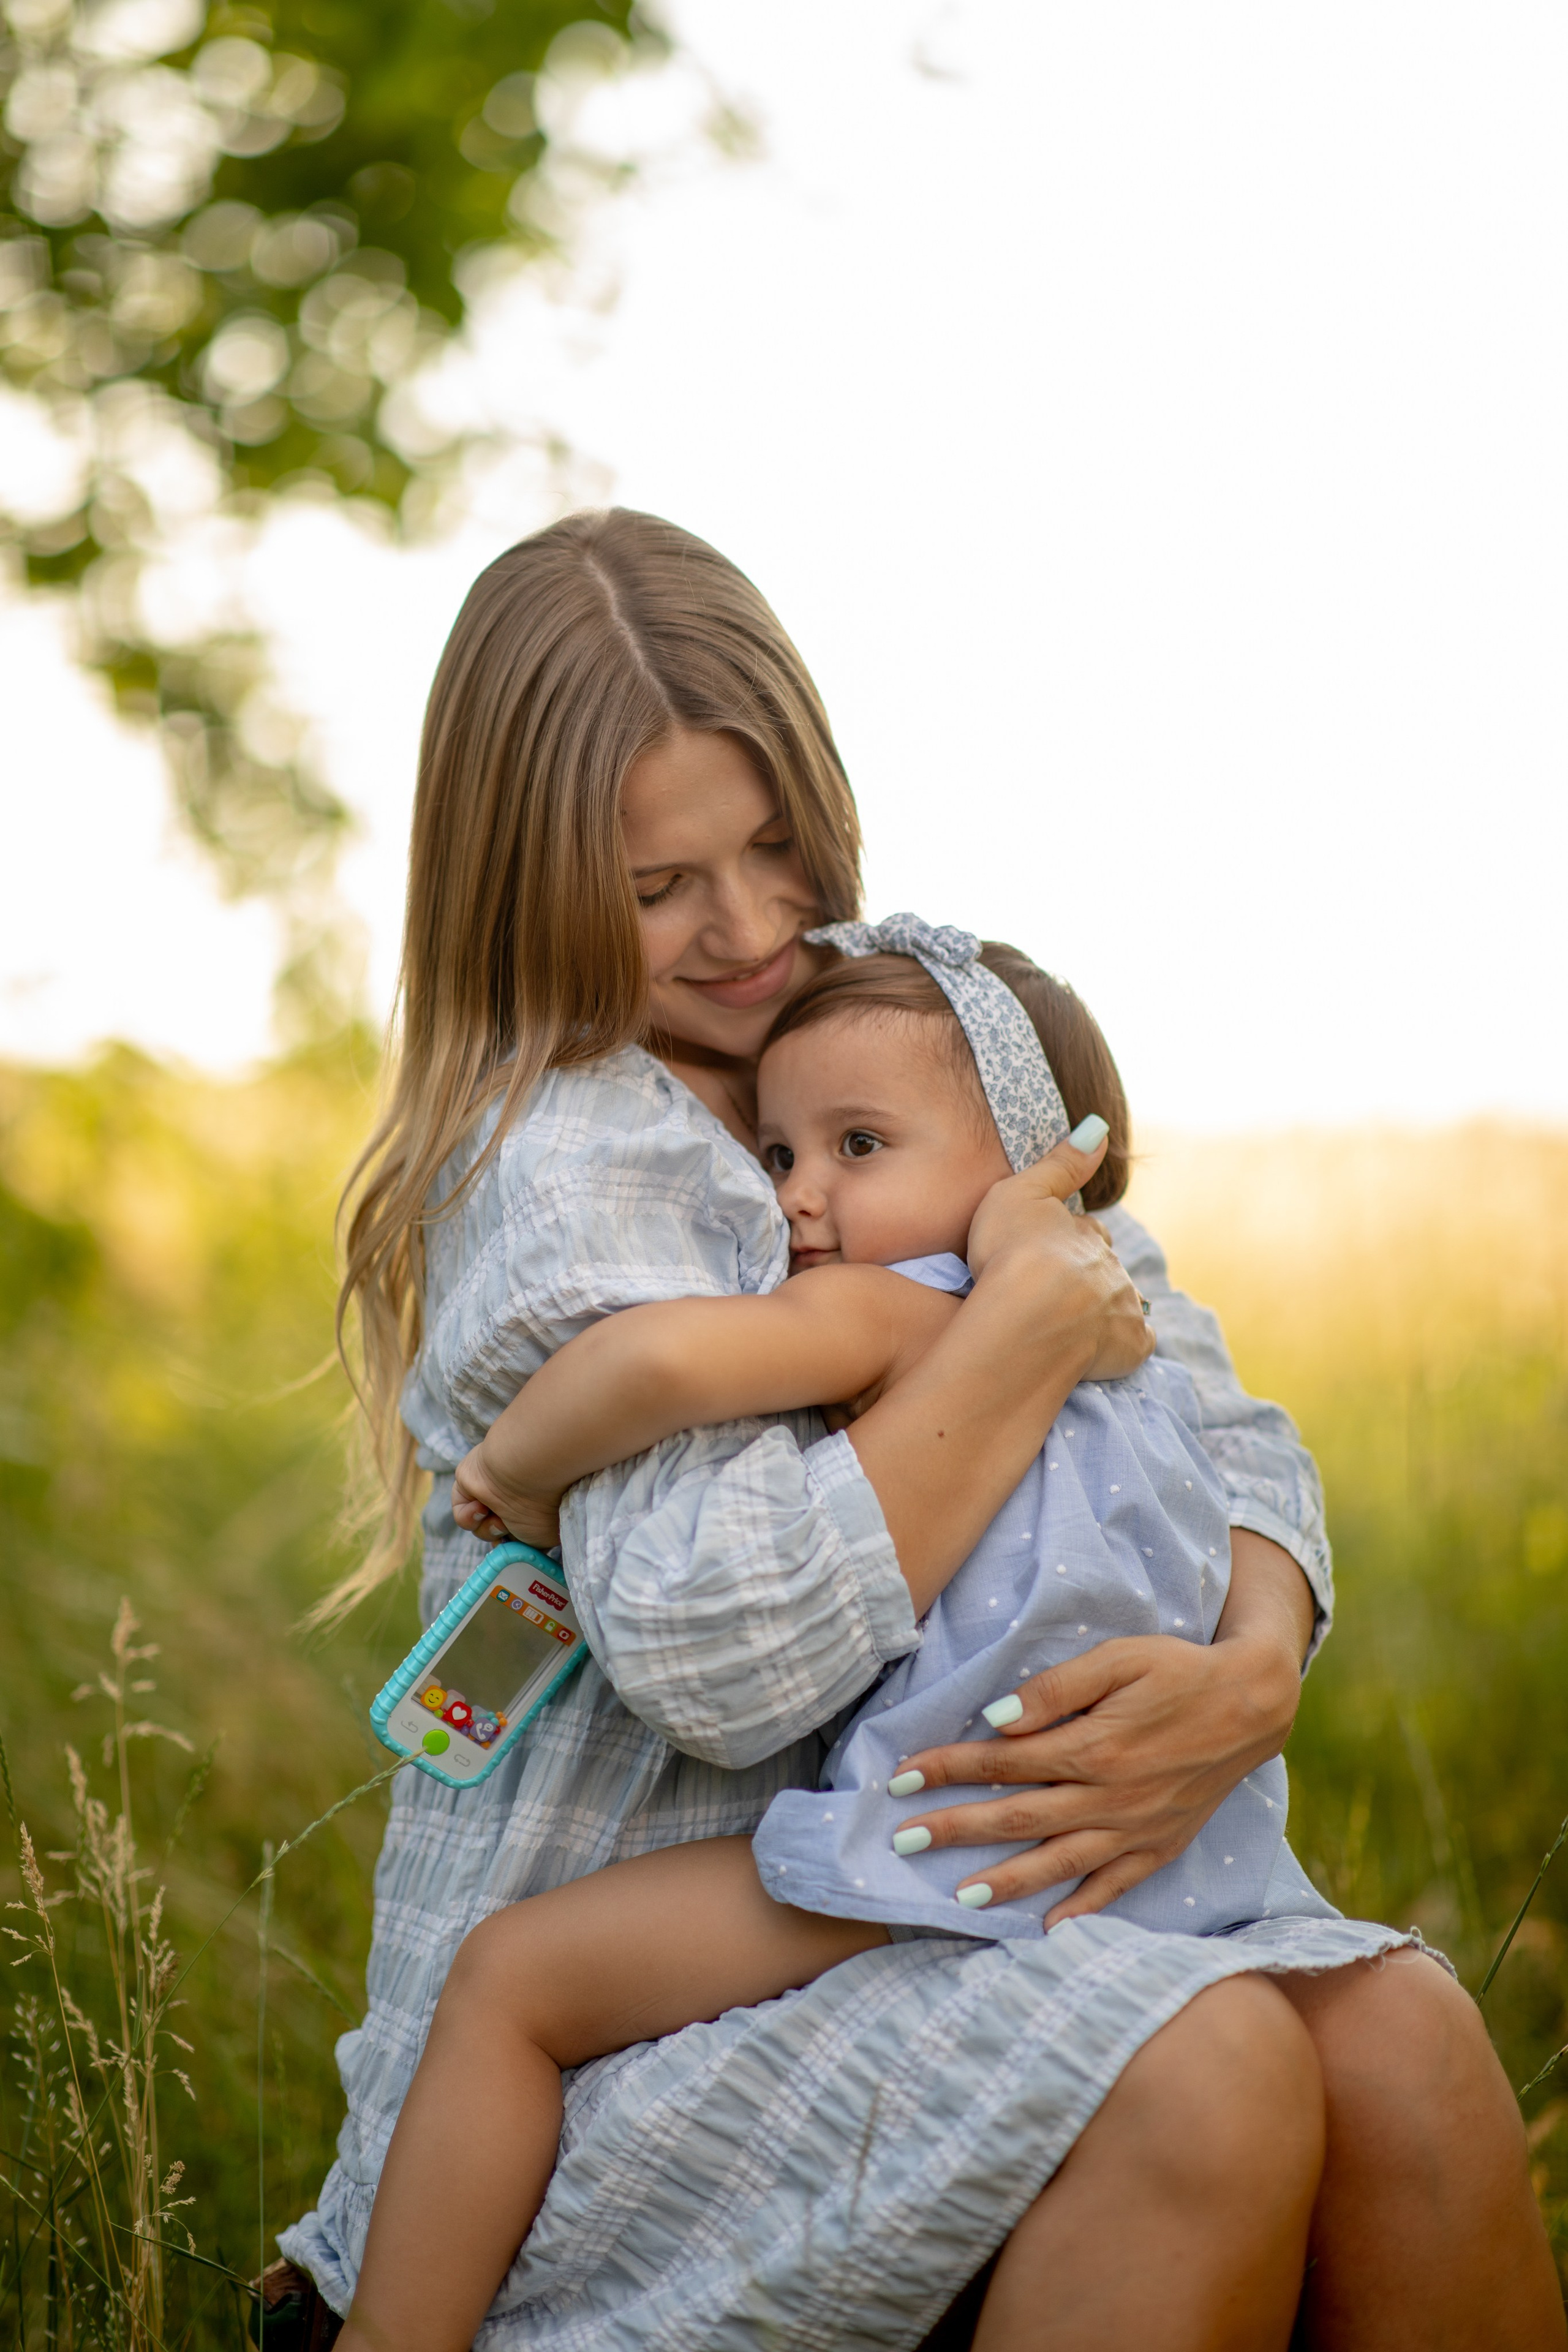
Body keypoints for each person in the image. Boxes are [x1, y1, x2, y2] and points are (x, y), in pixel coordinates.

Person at [283, 510, 1559, 2352]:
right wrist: (1006, 1335)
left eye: (774, 847)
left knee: (1410, 2039)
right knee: (1206, 2067)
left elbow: (1213, 1411)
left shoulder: (902, 1035)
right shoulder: (576, 1160)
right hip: (635, 2023)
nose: (746, 929)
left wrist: (1251, 1663)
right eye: (658, 887)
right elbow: (717, 1660)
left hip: (932, 1893)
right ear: (527, 886)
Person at [340, 923, 1412, 2352]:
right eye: (779, 1154)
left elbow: (656, 1359)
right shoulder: (1130, 1331)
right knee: (1399, 2022)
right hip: (1169, 1854)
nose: (797, 1197)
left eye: (856, 1147)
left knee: (512, 1982)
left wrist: (516, 1472)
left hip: (943, 1831)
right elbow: (1257, 1464)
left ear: (1028, 1169)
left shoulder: (913, 1315)